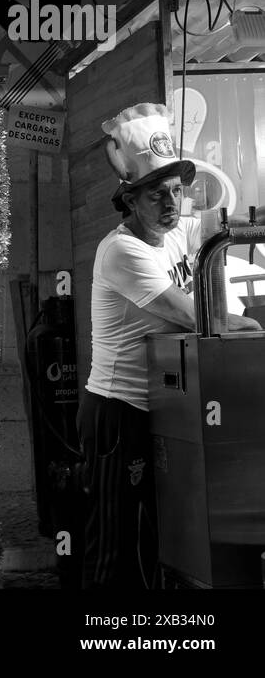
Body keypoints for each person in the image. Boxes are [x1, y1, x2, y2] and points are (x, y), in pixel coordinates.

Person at [84, 102, 258, 589]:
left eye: (177, 191)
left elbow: (224, 211)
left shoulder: (179, 229)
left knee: (160, 541)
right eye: (157, 195)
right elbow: (200, 316)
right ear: (129, 201)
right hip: (119, 409)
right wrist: (256, 328)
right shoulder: (122, 250)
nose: (171, 205)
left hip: (166, 409)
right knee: (115, 542)